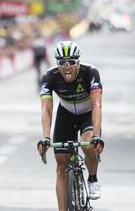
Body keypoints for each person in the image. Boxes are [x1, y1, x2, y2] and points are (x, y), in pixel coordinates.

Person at [37, 41, 105, 211]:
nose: (67, 67)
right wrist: (46, 137)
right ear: (56, 63)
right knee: (61, 167)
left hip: (87, 114)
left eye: (71, 62)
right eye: (61, 63)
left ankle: (92, 179)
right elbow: (46, 108)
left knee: (88, 145)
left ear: (78, 61)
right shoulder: (49, 76)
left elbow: (97, 105)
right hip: (65, 115)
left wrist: (96, 135)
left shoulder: (90, 72)